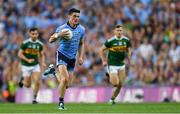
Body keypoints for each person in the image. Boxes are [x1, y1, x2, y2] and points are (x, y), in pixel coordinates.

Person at [45, 8, 85, 110]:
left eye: (78, 16)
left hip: (72, 58)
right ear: (69, 16)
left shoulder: (82, 29)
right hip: (62, 54)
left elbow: (81, 43)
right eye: (74, 16)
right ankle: (61, 103)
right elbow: (50, 40)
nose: (76, 18)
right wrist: (59, 35)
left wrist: (80, 56)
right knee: (65, 79)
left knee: (66, 85)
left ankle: (53, 72)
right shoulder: (62, 28)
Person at [99, 25, 131, 104]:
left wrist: (129, 55)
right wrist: (103, 61)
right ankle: (109, 73)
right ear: (114, 31)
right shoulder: (110, 41)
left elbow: (128, 49)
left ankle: (112, 99)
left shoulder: (126, 40)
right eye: (117, 30)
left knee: (120, 84)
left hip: (121, 64)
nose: (119, 32)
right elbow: (101, 50)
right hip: (112, 64)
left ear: (122, 31)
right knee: (115, 83)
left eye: (120, 30)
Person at [18, 27, 46, 104]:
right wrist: (27, 60)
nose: (34, 35)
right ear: (30, 34)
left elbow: (42, 54)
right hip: (25, 65)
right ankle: (22, 81)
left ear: (38, 34)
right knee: (28, 85)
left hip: (35, 65)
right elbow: (19, 54)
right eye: (33, 34)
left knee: (37, 81)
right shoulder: (25, 43)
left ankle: (35, 98)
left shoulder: (40, 44)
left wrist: (43, 62)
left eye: (36, 34)